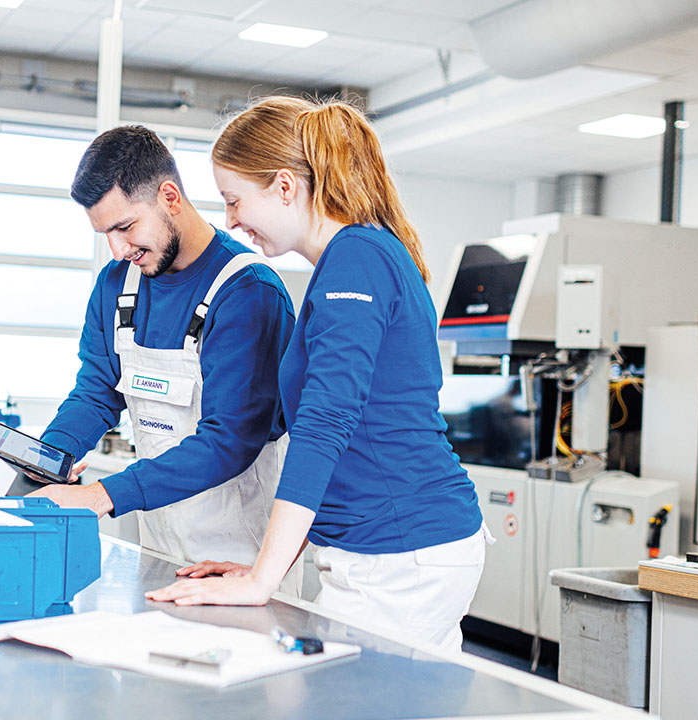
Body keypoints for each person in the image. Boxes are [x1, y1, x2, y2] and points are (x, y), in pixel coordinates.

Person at [146, 97, 489, 653]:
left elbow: (326, 424)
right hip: (394, 548)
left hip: (402, 553)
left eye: (235, 200)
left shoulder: (357, 258)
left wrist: (262, 580)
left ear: (285, 186)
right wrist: (262, 567)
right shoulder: (356, 257)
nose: (230, 220)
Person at [27, 125, 299, 579]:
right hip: (159, 546)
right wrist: (46, 462)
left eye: (125, 227)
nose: (117, 250)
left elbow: (228, 441)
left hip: (238, 557)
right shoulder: (118, 286)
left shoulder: (248, 292)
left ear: (169, 197)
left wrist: (101, 496)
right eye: (104, 234)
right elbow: (96, 394)